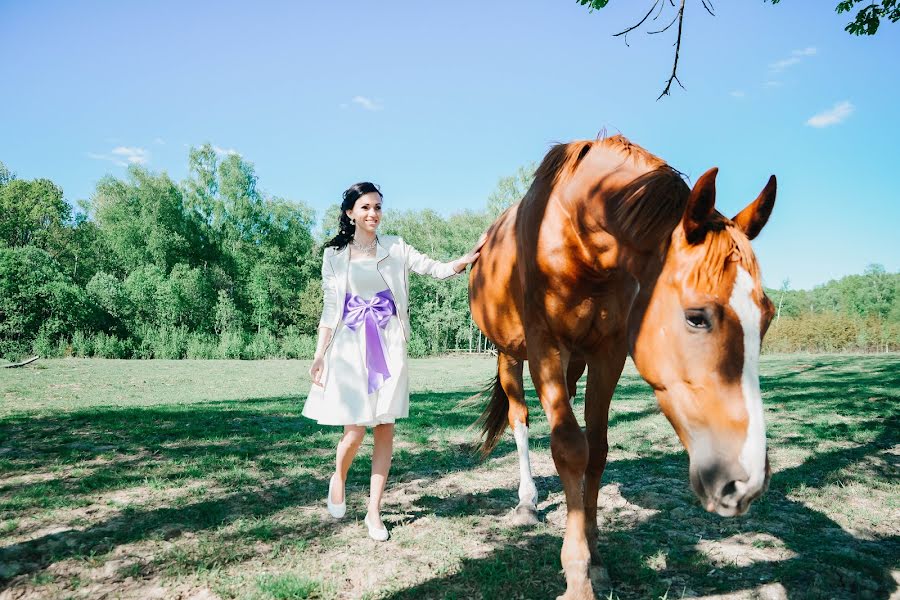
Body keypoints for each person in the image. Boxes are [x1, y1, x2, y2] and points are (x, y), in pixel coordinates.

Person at [302, 181, 483, 541]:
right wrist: (319, 354)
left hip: (388, 342)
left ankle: (374, 511)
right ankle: (338, 475)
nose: (373, 214)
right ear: (351, 212)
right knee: (354, 431)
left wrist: (463, 261)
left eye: (378, 207)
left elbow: (434, 268)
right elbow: (330, 309)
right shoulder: (333, 256)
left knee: (385, 427)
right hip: (350, 345)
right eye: (366, 207)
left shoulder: (396, 247)